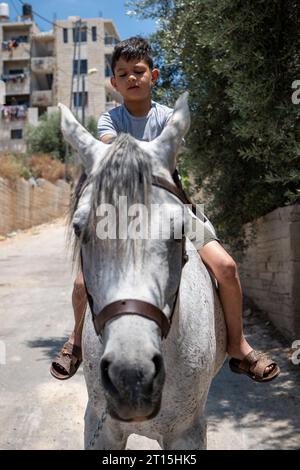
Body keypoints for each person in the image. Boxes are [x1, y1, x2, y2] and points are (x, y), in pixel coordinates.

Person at [50, 37, 280, 383]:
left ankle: (238, 345)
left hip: (175, 208)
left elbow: (160, 157)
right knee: (83, 282)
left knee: (227, 267)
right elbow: (113, 149)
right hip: (122, 211)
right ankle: (75, 341)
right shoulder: (109, 121)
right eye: (122, 73)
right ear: (114, 82)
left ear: (153, 75)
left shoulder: (167, 117)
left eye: (138, 71)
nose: (131, 78)